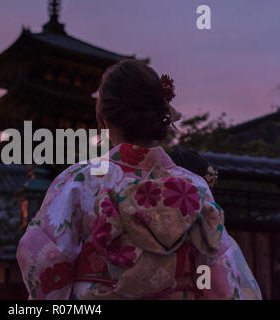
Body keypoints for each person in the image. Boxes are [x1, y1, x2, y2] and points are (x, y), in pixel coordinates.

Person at [17, 59, 261, 300]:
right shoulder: (194, 187)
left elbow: (45, 262)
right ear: (160, 115)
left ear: (104, 116)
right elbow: (221, 274)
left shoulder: (78, 181)